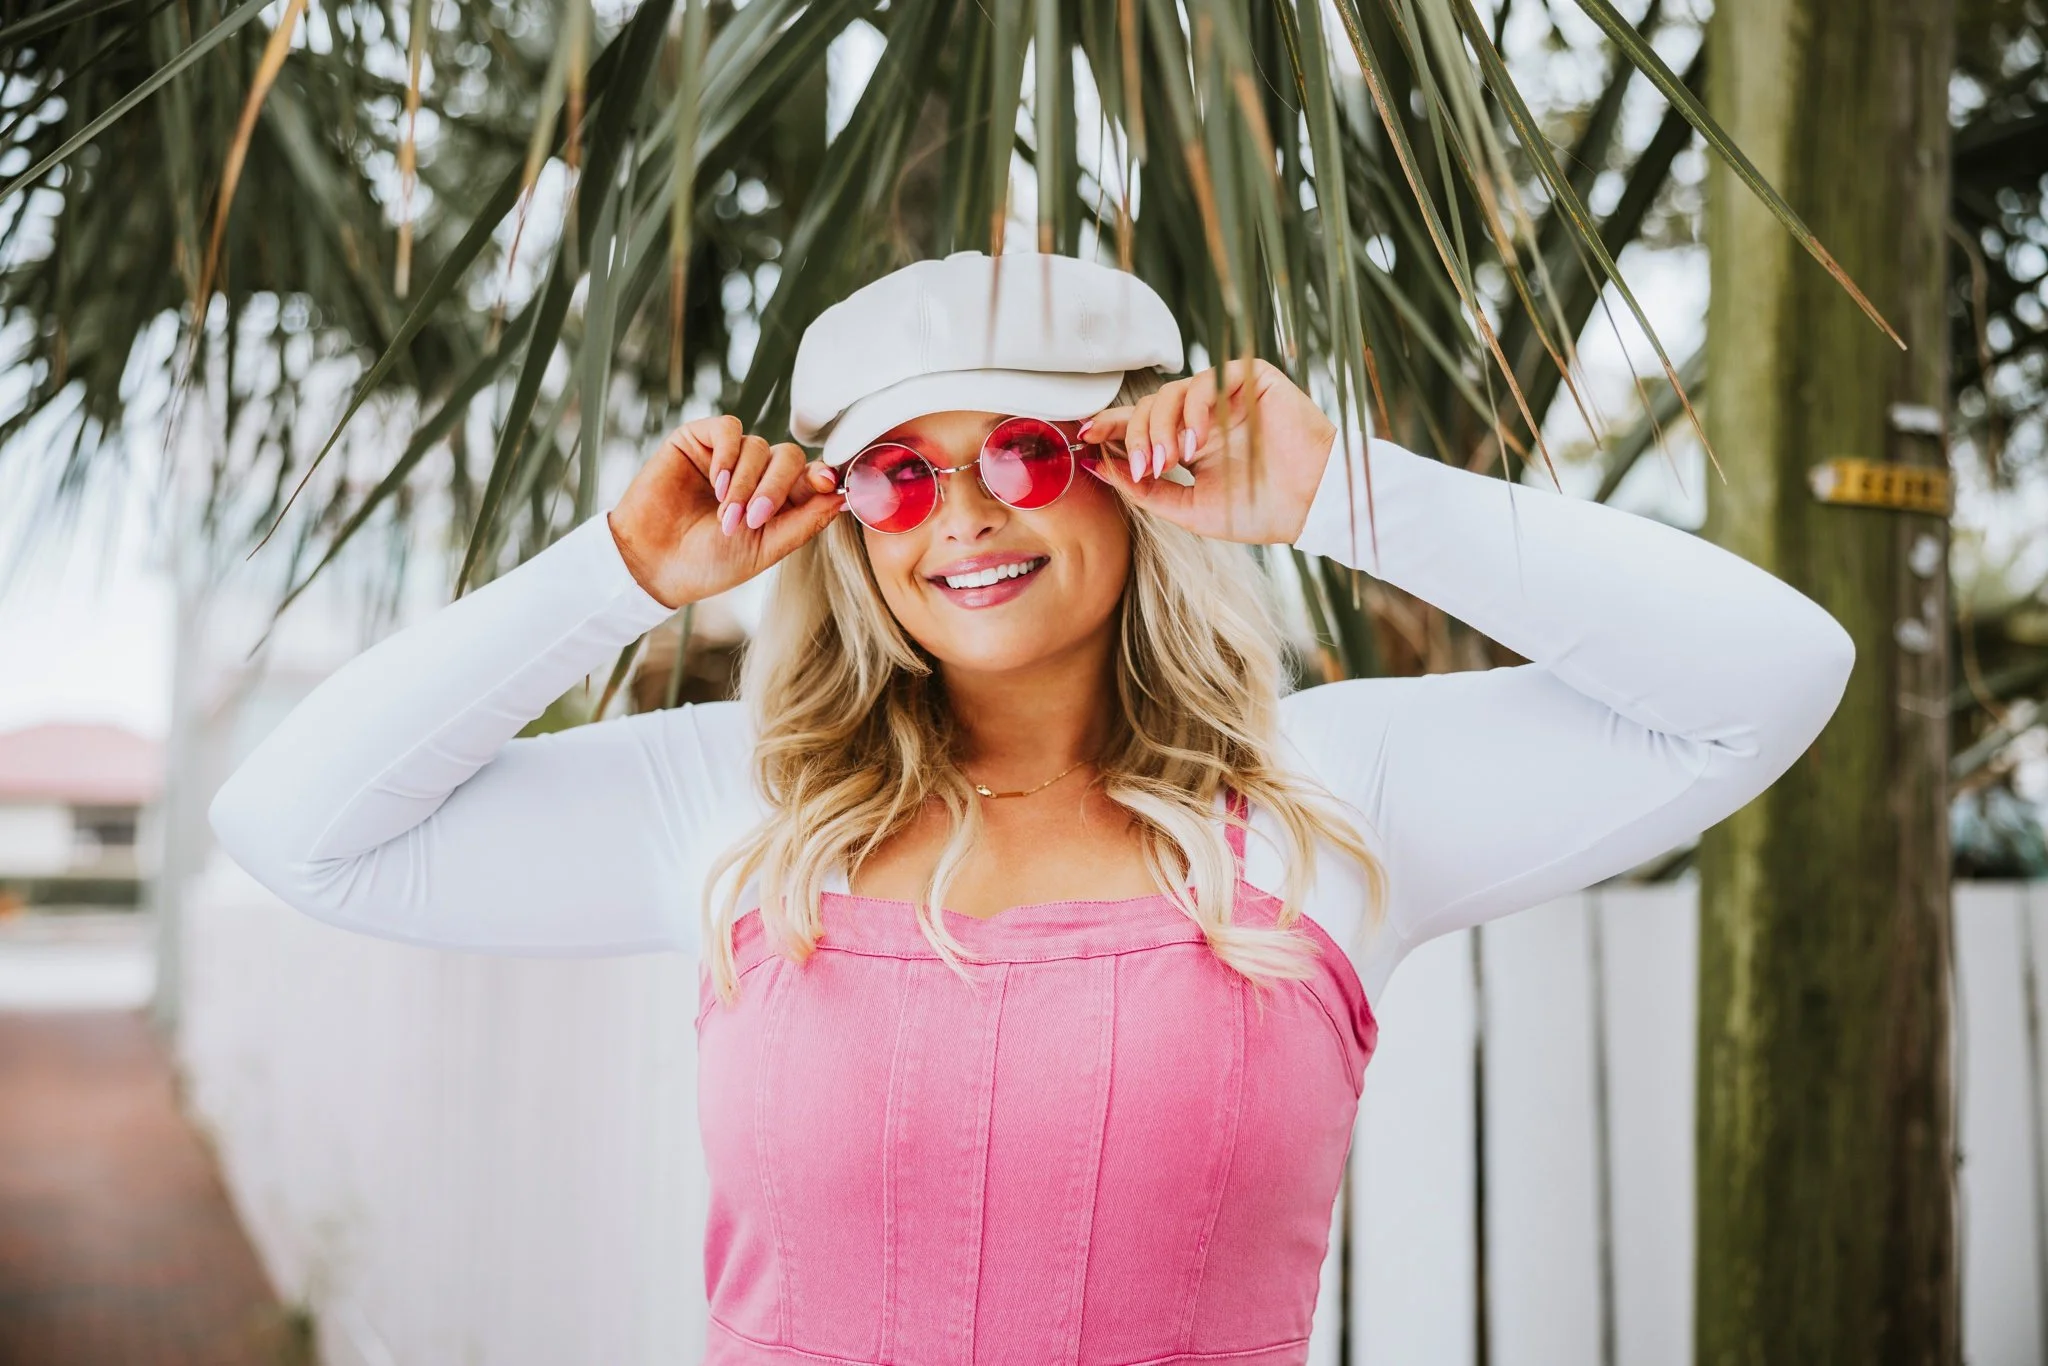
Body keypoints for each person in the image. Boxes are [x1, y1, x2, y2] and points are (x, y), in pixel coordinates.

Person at [209, 251, 1854, 1363]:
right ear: (849, 519)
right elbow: (296, 825)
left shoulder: (1325, 803)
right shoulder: (745, 803)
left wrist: (1341, 493)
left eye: (1023, 451)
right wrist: (619, 571)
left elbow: (1773, 677)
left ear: (1137, 466)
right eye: (898, 474)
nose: (963, 518)